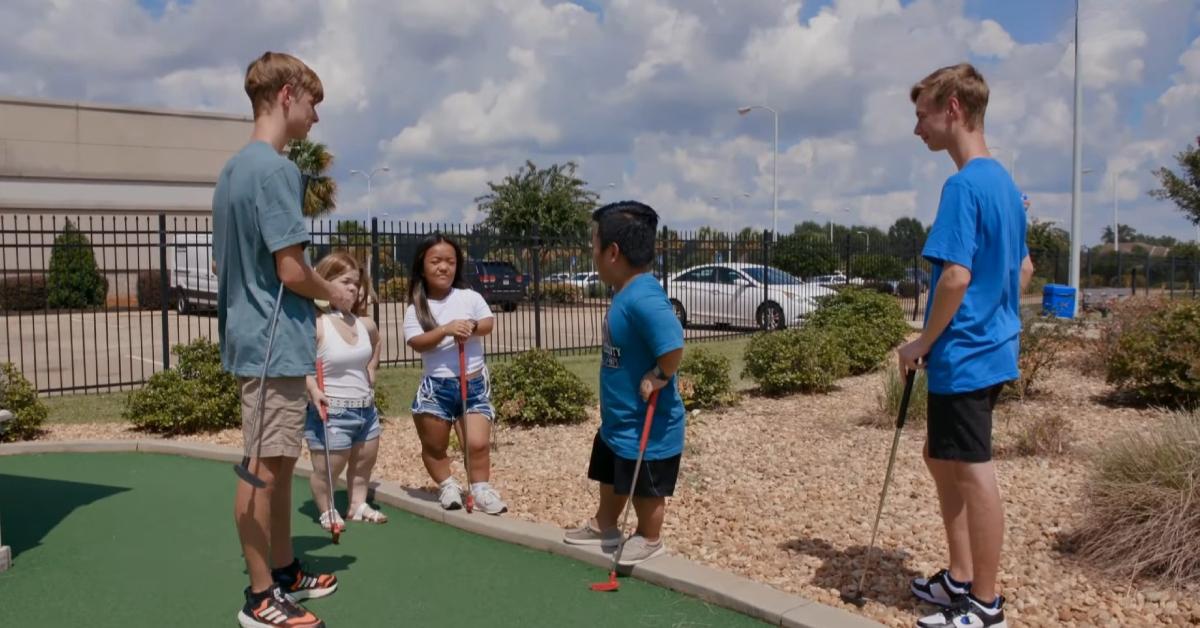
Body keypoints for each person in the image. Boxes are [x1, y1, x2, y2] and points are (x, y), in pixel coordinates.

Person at [213, 51, 350, 628]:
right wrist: (333, 294)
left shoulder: (231, 171)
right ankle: (260, 596)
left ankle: (286, 568)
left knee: (279, 463)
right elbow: (292, 270)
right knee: (261, 471)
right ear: (289, 93)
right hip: (271, 342)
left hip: (261, 339)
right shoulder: (276, 170)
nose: (316, 118)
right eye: (314, 103)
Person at [898, 63, 1034, 628]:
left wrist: (922, 342)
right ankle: (958, 576)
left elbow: (953, 278)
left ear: (952, 107)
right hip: (991, 348)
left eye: (922, 114)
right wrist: (995, 315)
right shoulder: (1004, 183)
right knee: (940, 455)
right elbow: (1022, 269)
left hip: (965, 354)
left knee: (974, 470)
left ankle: (985, 604)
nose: (918, 128)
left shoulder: (961, 186)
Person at [563, 201, 685, 566]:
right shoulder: (627, 292)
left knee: (644, 488)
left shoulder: (643, 297)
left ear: (612, 252)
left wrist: (659, 376)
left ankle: (649, 537)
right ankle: (605, 524)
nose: (592, 254)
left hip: (648, 427)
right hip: (620, 421)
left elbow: (674, 343)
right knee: (610, 471)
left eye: (593, 246)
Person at [403, 233, 507, 515]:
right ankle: (447, 483)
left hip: (472, 382)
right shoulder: (417, 307)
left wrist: (471, 327)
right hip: (436, 387)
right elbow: (415, 343)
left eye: (450, 261)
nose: (443, 267)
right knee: (435, 446)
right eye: (435, 261)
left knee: (477, 443)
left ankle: (481, 488)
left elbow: (488, 323)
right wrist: (445, 329)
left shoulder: (469, 297)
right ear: (422, 266)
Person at [304, 251, 386, 531]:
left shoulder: (365, 324)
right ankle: (327, 509)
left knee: (363, 466)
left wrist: (372, 368)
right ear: (325, 283)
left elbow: (376, 343)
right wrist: (313, 388)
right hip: (332, 409)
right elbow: (300, 363)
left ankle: (358, 504)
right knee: (328, 470)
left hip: (366, 409)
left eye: (356, 282)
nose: (353, 288)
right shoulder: (317, 325)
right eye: (345, 281)